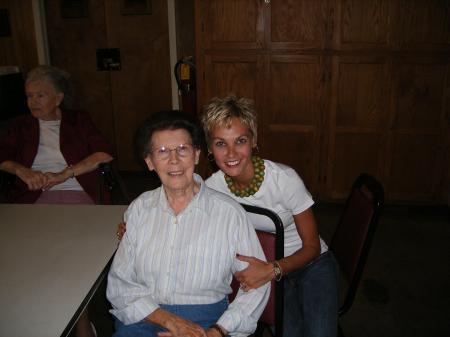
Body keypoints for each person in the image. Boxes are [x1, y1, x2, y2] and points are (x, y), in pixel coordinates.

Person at [107, 110, 270, 337]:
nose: (174, 160)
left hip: (208, 320)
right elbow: (120, 284)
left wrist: (218, 331)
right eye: (162, 151)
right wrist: (171, 322)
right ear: (149, 162)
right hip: (145, 315)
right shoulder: (139, 209)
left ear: (196, 155)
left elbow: (257, 285)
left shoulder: (229, 214)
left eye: (182, 149)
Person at [201, 95, 339, 337]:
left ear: (254, 141)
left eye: (240, 141)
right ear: (210, 149)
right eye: (221, 143)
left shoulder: (284, 180)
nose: (231, 152)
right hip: (265, 271)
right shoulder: (212, 189)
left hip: (311, 264)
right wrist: (136, 228)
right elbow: (184, 217)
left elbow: (312, 246)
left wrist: (272, 270)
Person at [0, 65, 113, 204]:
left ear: (58, 98)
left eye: (40, 95)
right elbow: (2, 155)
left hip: (76, 189)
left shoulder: (78, 120)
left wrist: (64, 174)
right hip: (33, 194)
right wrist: (22, 171)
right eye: (29, 95)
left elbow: (104, 154)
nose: (33, 101)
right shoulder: (20, 125)